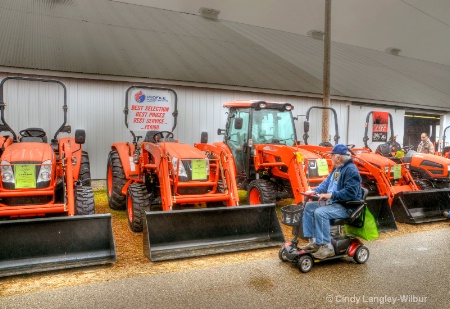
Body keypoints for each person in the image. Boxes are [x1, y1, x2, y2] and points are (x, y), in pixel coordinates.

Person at [301, 144, 362, 259]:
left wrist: (330, 195)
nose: (330, 157)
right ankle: (315, 242)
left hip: (346, 206)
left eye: (332, 155)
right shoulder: (338, 169)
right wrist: (314, 191)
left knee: (320, 212)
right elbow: (327, 183)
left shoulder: (351, 170)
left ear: (338, 158)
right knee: (309, 207)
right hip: (334, 202)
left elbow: (351, 193)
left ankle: (327, 247)